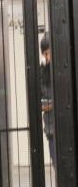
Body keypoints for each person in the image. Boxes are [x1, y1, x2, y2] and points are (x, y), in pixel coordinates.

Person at [40, 33, 55, 167]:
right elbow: (42, 104)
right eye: (45, 54)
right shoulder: (43, 74)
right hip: (52, 132)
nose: (47, 57)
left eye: (48, 53)